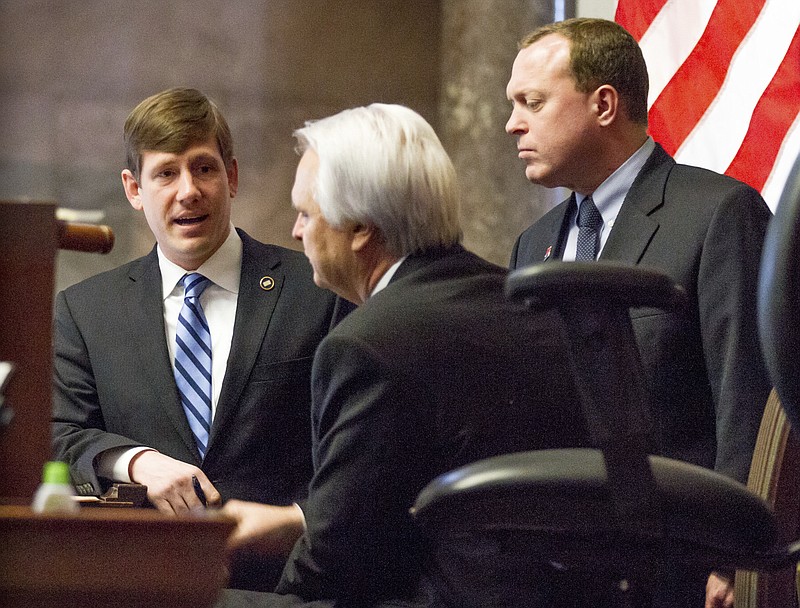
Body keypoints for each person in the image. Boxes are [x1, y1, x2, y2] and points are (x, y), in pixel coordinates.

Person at [215, 103, 590, 607]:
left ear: (361, 229)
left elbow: (336, 562)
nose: (296, 232)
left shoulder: (367, 345)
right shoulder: (531, 305)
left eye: (306, 213)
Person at [505, 18, 772, 608]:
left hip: (679, 565)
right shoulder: (534, 244)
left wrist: (734, 557)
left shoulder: (718, 213)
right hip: (564, 565)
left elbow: (745, 397)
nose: (512, 123)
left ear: (604, 104)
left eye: (533, 102)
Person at [52, 87, 349, 590]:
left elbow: (356, 449)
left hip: (288, 585)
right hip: (137, 585)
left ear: (231, 178)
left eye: (204, 168)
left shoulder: (318, 289)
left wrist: (300, 520)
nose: (188, 190)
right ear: (134, 189)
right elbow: (59, 435)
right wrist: (134, 461)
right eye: (166, 173)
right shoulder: (84, 311)